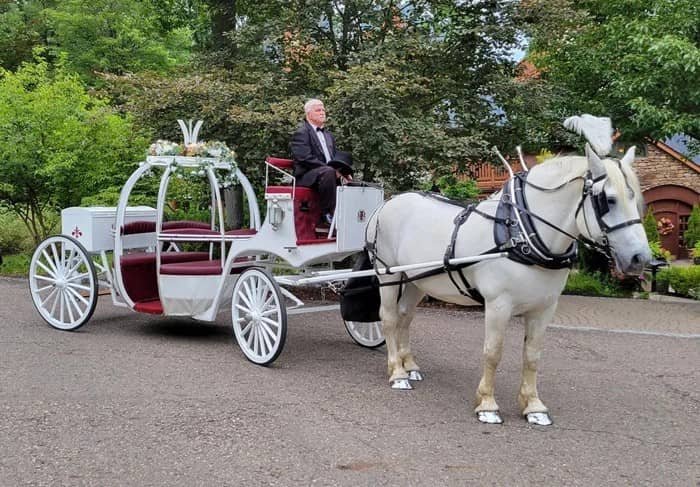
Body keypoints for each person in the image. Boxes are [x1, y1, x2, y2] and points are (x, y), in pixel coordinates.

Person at [290, 99, 352, 230]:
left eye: (323, 109)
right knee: (328, 172)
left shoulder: (329, 135)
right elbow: (304, 158)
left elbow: (335, 158)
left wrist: (344, 172)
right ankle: (326, 215)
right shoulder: (301, 133)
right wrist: (330, 169)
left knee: (352, 180)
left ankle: (349, 216)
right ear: (308, 114)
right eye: (318, 110)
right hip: (306, 176)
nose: (322, 112)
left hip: (325, 173)